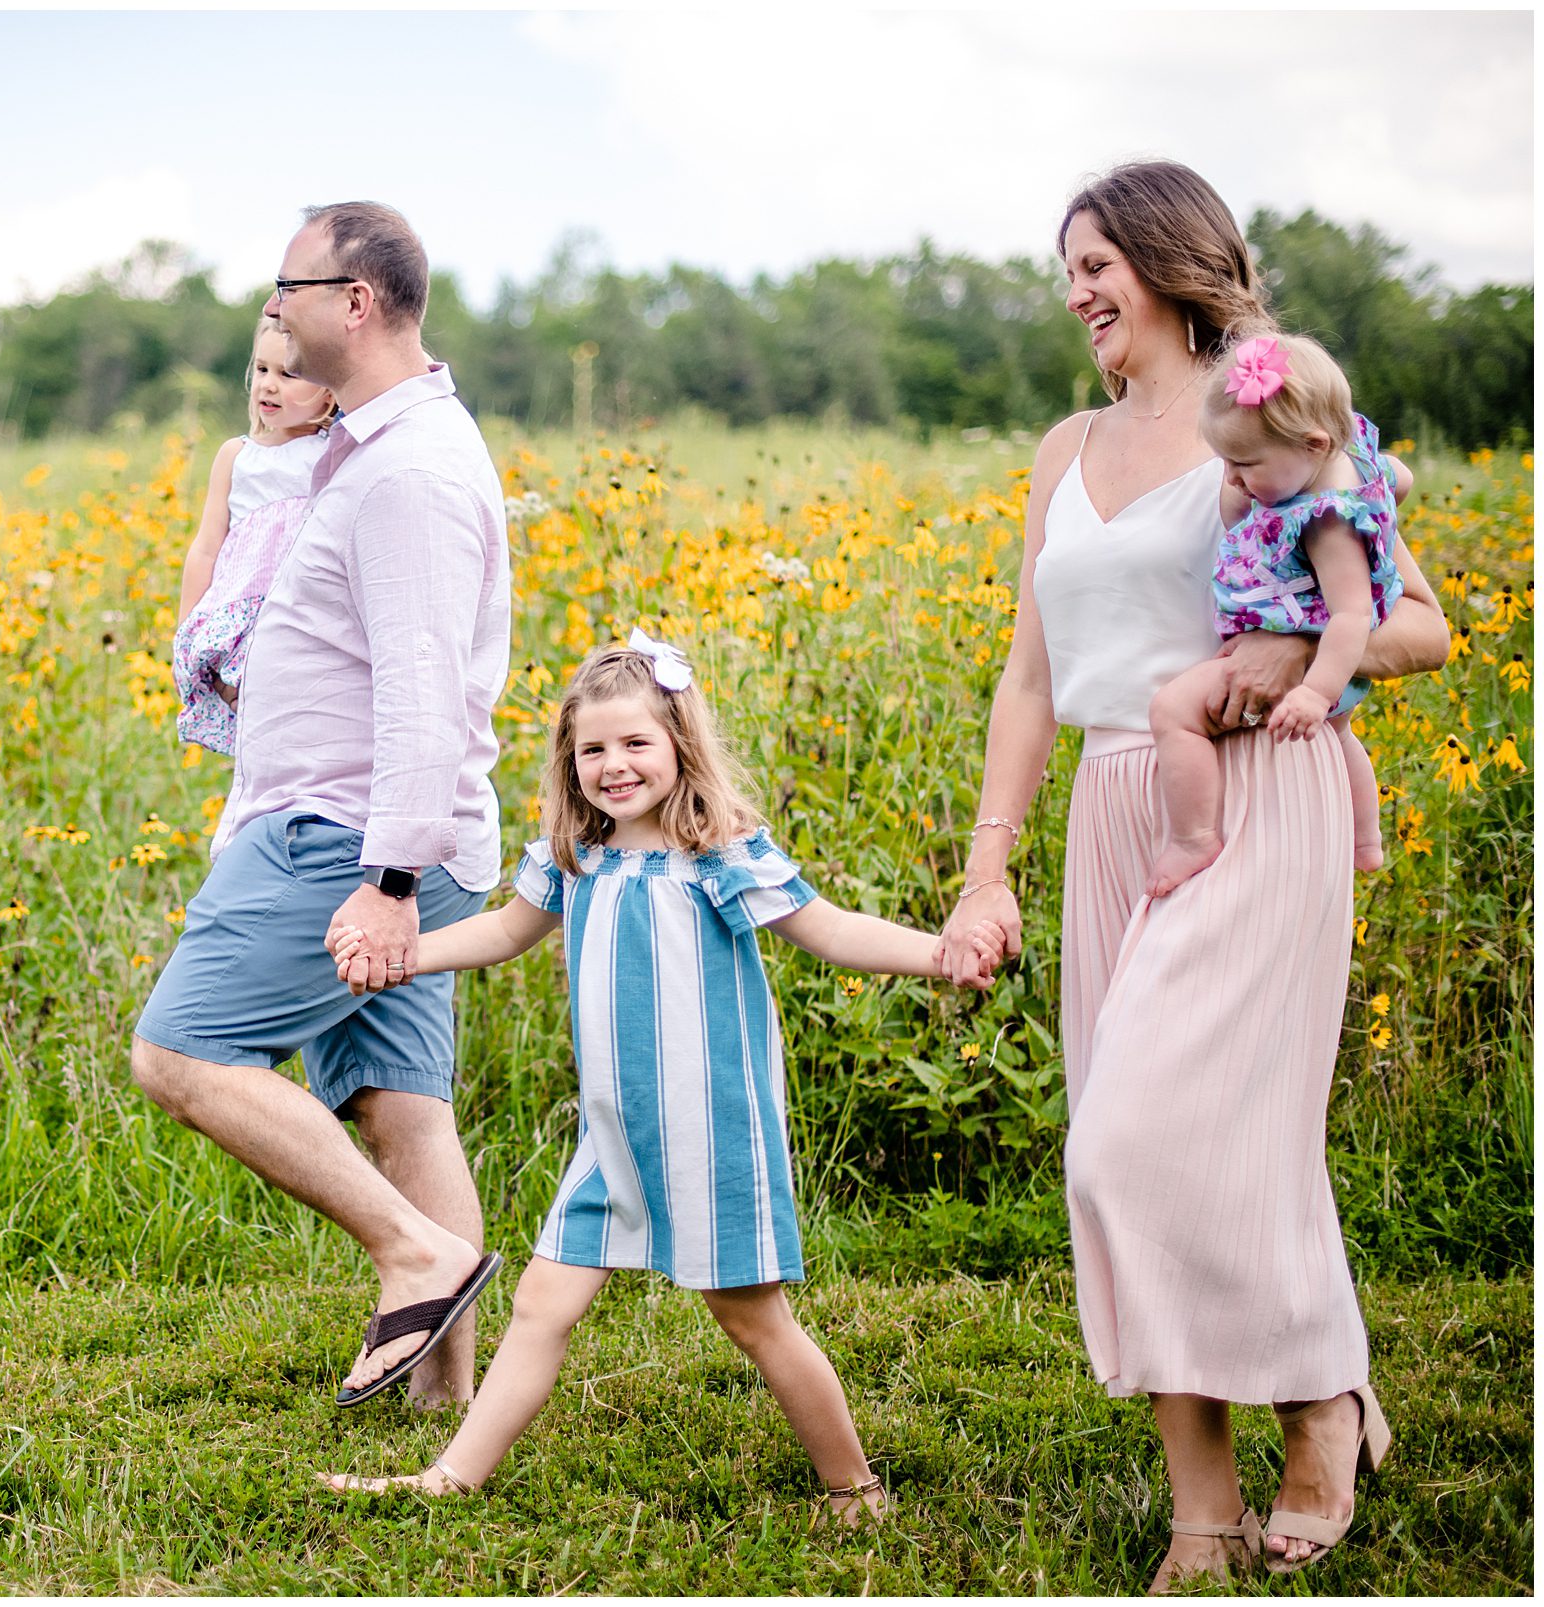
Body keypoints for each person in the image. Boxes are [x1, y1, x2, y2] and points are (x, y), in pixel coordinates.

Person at [934, 161, 1448, 1591]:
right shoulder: (1062, 446)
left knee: (1153, 1144)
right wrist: (991, 869)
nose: (1082, 292)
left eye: (1100, 262)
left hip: (1249, 799)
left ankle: (1324, 1403)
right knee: (1133, 1147)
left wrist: (1290, 661)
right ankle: (1203, 1511)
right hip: (1116, 804)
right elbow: (1029, 678)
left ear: (1173, 263)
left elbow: (1418, 622)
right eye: (1071, 270)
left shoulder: (1272, 406)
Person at [319, 633, 1004, 1523]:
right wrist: (404, 956)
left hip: (709, 1129)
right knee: (539, 1305)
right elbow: (497, 934)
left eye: (636, 743)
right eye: (593, 748)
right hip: (613, 1134)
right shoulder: (572, 859)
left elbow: (829, 930)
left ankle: (855, 1487)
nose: (614, 765)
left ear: (680, 742)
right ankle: (450, 1476)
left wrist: (939, 956)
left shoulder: (720, 855)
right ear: (570, 761)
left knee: (752, 1319)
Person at [131, 202, 513, 1410]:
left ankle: (415, 1253)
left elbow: (421, 686)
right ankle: (443, 1395)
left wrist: (388, 882)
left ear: (355, 302)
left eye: (289, 283)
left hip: (342, 836)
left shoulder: (407, 469)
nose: (273, 306)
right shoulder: (368, 445)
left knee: (180, 1051)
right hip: (371, 825)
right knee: (401, 1107)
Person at [1143, 332, 1407, 897]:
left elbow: (1352, 615)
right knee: (1341, 735)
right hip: (1322, 670)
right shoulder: (1349, 457)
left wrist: (1314, 691)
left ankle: (1194, 837)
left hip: (1308, 659)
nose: (1233, 479)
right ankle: (1365, 838)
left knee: (1172, 713)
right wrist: (1383, 497)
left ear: (1312, 445)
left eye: (1243, 464)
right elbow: (1399, 478)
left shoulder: (1325, 522)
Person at [172, 317, 337, 755]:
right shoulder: (238, 456)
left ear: (329, 389)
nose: (269, 385)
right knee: (257, 735)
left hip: (300, 616)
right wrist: (188, 627)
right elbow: (207, 547)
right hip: (240, 620)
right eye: (262, 370)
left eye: (288, 374)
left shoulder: (334, 451)